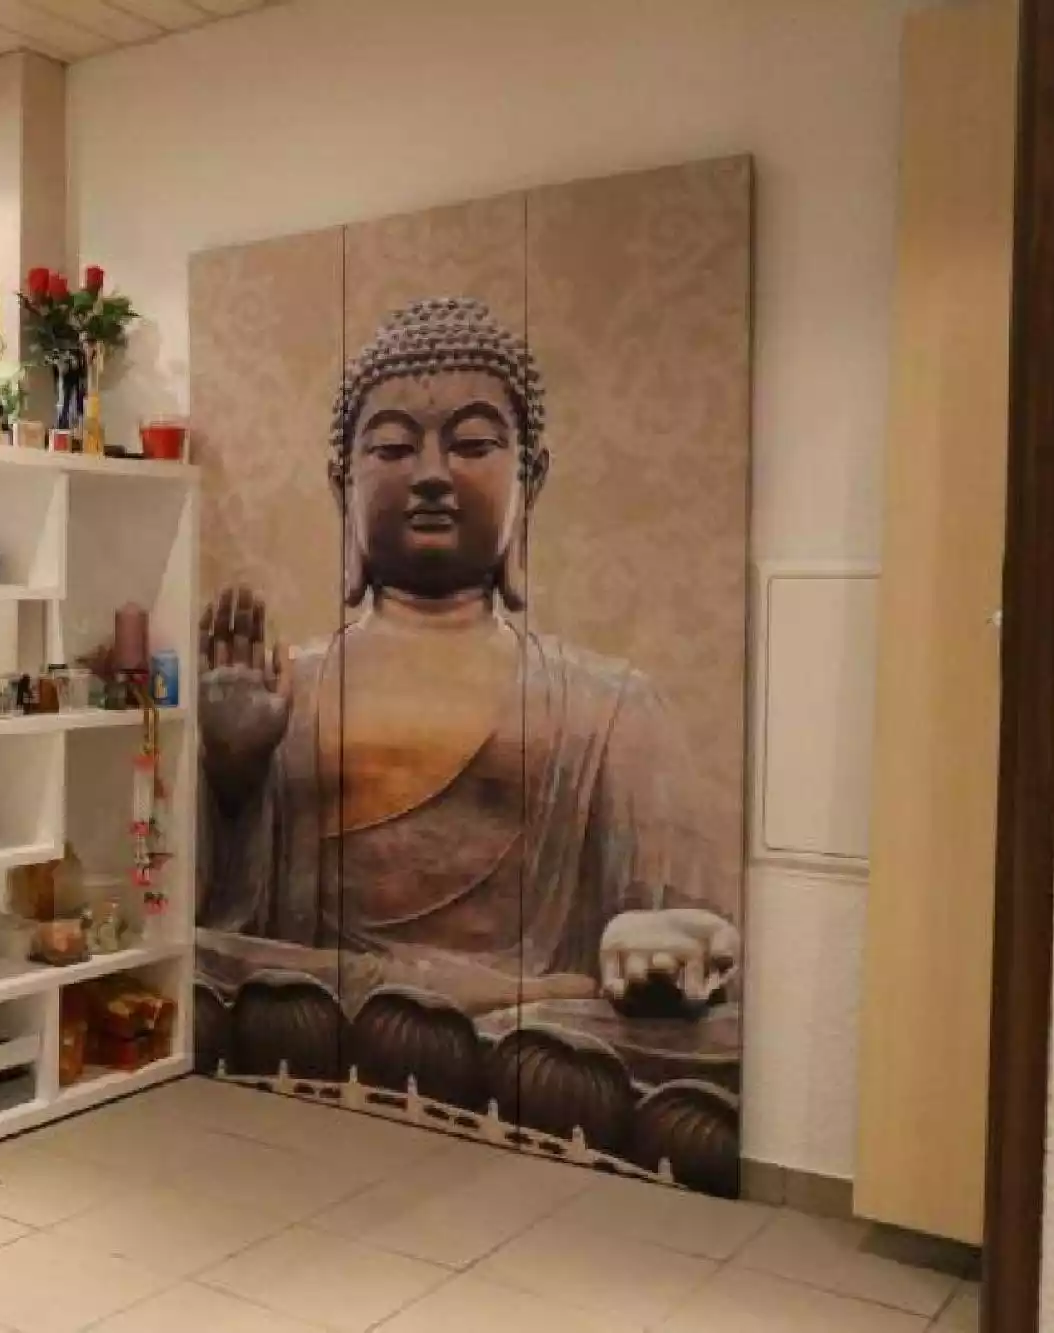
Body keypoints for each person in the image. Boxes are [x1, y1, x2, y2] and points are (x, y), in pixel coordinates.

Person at [198, 299, 740, 1119]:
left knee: (682, 1060)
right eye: (391, 447)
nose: (431, 474)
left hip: (538, 1035)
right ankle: (470, 1015)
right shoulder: (288, 686)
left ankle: (492, 1016)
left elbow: (692, 937)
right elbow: (227, 920)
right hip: (328, 1009)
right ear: (343, 483)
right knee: (199, 967)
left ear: (531, 478)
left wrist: (663, 941)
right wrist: (234, 778)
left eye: (475, 444)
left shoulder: (609, 706)